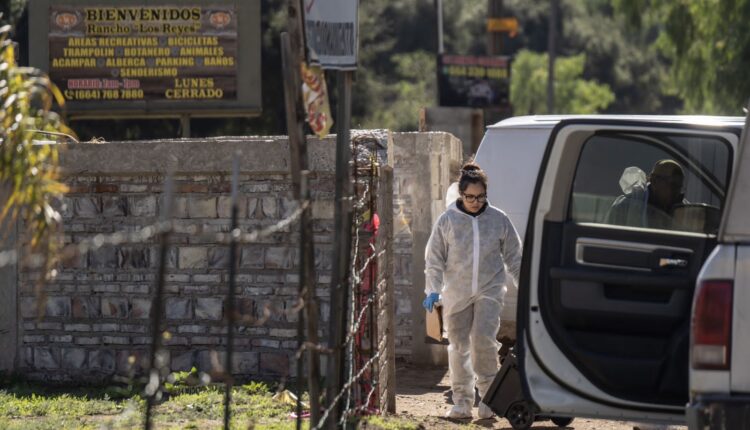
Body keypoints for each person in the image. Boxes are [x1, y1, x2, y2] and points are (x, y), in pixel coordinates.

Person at [424, 161, 523, 420]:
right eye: (469, 196)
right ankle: (461, 402)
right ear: (461, 193)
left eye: (480, 197)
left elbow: (514, 257)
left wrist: (523, 285)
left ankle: (488, 400)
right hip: (456, 292)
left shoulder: (499, 219)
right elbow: (434, 258)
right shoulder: (447, 220)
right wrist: (432, 290)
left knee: (483, 342)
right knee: (458, 346)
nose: (475, 201)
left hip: (489, 290)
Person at [606, 159, 688, 230]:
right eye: (672, 184)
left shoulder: (685, 210)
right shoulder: (625, 208)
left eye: (679, 186)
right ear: (654, 180)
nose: (675, 191)